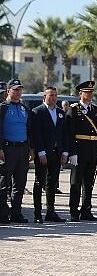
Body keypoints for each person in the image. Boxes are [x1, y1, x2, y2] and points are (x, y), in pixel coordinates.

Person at [66, 80, 97, 222]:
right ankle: (74, 211)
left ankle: (86, 210)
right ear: (80, 93)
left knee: (89, 182)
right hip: (79, 150)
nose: (90, 94)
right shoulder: (74, 109)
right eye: (87, 92)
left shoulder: (95, 110)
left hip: (92, 150)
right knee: (76, 182)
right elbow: (70, 133)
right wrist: (72, 152)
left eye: (91, 92)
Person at [31, 86, 67, 223]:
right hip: (43, 153)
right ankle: (37, 213)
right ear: (44, 97)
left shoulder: (60, 113)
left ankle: (50, 211)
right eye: (51, 95)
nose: (53, 98)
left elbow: (64, 134)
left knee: (52, 184)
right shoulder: (37, 112)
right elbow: (36, 134)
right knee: (39, 182)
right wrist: (40, 152)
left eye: (55, 95)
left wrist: (64, 151)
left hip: (56, 153)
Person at [0, 79, 32, 223]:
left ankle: (16, 212)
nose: (18, 92)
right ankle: (2, 213)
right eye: (15, 89)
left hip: (22, 149)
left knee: (20, 183)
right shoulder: (3, 107)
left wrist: (31, 148)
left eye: (20, 89)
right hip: (7, 148)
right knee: (4, 183)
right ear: (8, 91)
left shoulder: (24, 107)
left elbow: (29, 129)